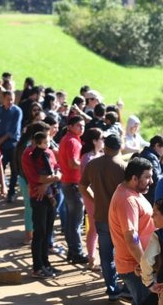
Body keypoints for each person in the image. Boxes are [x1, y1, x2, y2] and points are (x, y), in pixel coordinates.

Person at [80, 133, 127, 302]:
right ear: (119, 147)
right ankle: (127, 287)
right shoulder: (122, 166)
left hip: (101, 215)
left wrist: (94, 199)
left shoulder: (93, 164)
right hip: (121, 217)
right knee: (124, 253)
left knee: (106, 255)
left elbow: (82, 185)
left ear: (105, 146)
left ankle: (112, 289)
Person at [108, 157, 156, 305]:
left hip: (139, 264)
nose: (151, 181)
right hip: (134, 267)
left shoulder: (131, 192)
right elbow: (131, 238)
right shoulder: (127, 200)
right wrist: (145, 265)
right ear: (134, 178)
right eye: (147, 177)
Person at [21, 130, 62, 279]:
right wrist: (52, 179)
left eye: (48, 140)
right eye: (44, 141)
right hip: (38, 197)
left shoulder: (49, 152)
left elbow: (58, 168)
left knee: (48, 231)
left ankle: (46, 263)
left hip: (51, 195)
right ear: (35, 142)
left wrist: (51, 180)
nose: (47, 144)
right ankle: (37, 267)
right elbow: (34, 177)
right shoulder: (28, 155)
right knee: (40, 232)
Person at [58, 115, 88, 263]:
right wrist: (87, 165)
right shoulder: (72, 142)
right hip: (73, 183)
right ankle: (77, 252)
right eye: (78, 126)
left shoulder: (67, 139)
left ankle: (72, 251)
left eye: (83, 126)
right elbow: (73, 163)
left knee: (71, 220)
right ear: (70, 126)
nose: (81, 128)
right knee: (76, 221)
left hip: (67, 182)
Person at [79, 127, 104, 270]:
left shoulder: (99, 155)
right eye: (101, 139)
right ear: (94, 141)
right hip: (91, 196)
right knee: (94, 227)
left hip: (100, 196)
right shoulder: (87, 158)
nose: (103, 142)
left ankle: (99, 258)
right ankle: (92, 258)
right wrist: (94, 197)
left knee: (100, 228)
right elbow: (84, 182)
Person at [0, 90, 22, 203]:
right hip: (1, 144)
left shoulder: (17, 111)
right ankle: (2, 188)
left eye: (12, 99)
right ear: (3, 99)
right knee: (1, 167)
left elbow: (13, 131)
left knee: (14, 170)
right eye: (8, 99)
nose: (10, 101)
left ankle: (11, 192)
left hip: (12, 144)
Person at [135, 134, 163, 205]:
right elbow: (156, 179)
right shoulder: (151, 157)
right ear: (157, 145)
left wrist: (162, 165)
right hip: (149, 195)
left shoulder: (148, 154)